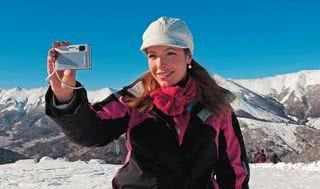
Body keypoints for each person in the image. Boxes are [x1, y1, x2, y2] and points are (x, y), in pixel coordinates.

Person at [45, 17, 250, 189]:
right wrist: (66, 98)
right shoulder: (134, 98)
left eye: (170, 53)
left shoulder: (216, 106)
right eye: (153, 55)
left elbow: (233, 170)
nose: (161, 65)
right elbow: (93, 132)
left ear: (188, 56)